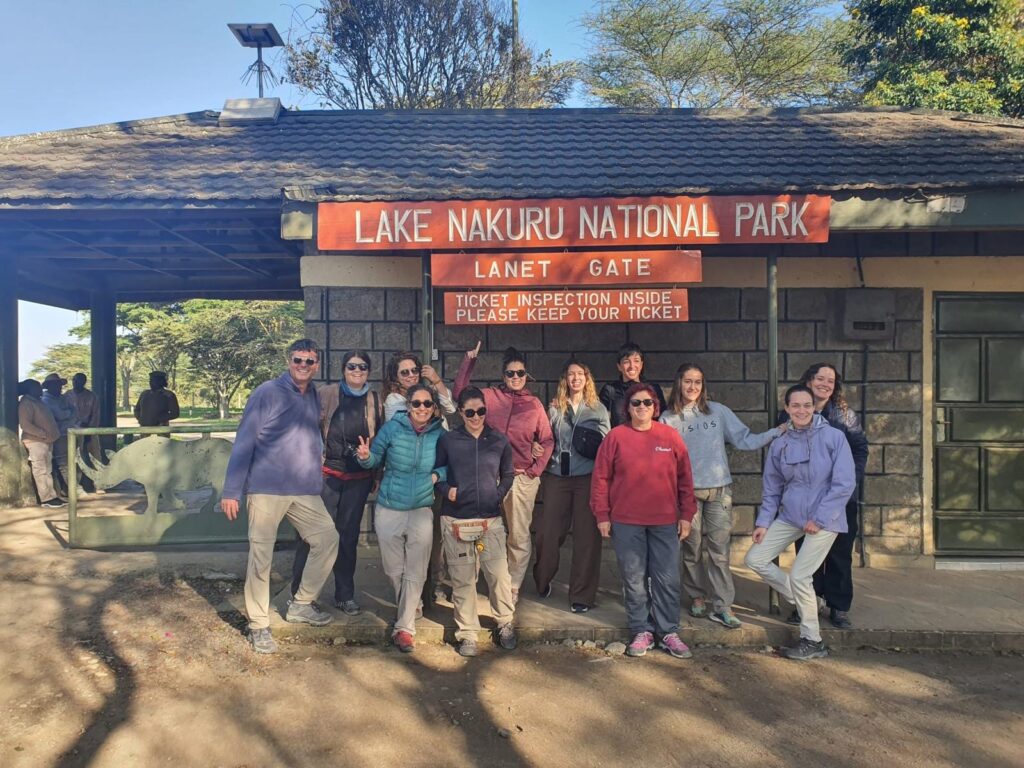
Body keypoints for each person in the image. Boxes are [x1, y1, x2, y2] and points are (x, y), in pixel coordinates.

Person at [221, 339, 340, 654]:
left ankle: (301, 603)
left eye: (310, 361)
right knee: (261, 559)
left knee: (328, 539)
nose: (303, 365)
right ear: (289, 360)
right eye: (298, 360)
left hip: (303, 489)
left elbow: (310, 433)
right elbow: (244, 441)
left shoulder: (312, 394)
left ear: (317, 365)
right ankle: (259, 625)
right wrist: (232, 490)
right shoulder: (267, 393)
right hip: (266, 489)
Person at [660, 363, 785, 629]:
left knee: (719, 552)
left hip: (719, 491)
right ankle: (696, 596)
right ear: (678, 384)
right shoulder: (667, 418)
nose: (693, 387)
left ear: (703, 386)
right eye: (687, 381)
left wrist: (776, 432)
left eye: (698, 382)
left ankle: (722, 605)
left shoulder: (718, 412)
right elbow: (663, 460)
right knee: (691, 549)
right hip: (686, 494)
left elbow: (745, 440)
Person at [745, 384, 856, 661]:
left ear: (813, 407)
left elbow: (844, 483)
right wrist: (763, 522)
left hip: (825, 520)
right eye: (796, 405)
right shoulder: (781, 444)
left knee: (800, 576)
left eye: (807, 405)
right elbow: (771, 487)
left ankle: (812, 640)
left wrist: (819, 519)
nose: (802, 410)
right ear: (787, 409)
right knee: (755, 559)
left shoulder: (833, 437)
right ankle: (808, 601)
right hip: (791, 516)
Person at [591, 382, 697, 660]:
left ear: (655, 406)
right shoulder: (615, 437)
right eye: (636, 403)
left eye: (647, 403)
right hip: (626, 521)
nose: (641, 407)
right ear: (627, 408)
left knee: (667, 578)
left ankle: (668, 631)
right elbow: (600, 478)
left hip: (664, 520)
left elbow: (685, 478)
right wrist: (602, 515)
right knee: (634, 579)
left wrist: (686, 514)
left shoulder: (670, 436)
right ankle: (642, 630)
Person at [454, 342, 553, 603]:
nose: (515, 378)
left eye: (520, 373)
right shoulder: (489, 396)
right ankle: (471, 581)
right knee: (480, 530)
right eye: (510, 373)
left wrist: (535, 470)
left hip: (521, 478)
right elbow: (461, 394)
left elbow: (547, 439)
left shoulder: (534, 404)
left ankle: (513, 584)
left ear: (526, 375)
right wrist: (469, 361)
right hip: (489, 477)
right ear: (503, 376)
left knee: (519, 535)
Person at [356, 382, 445, 653]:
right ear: (408, 406)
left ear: (433, 407)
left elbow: (451, 463)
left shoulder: (439, 433)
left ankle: (404, 627)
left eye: (427, 404)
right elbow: (375, 460)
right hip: (390, 506)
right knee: (394, 568)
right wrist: (365, 456)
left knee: (417, 569)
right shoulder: (393, 428)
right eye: (416, 403)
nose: (422, 408)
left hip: (421, 508)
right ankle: (411, 603)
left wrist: (437, 475)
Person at [292, 349, 383, 616]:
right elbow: (306, 427)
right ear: (343, 369)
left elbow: (380, 442)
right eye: (352, 366)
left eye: (363, 367)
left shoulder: (375, 399)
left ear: (369, 371)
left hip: (358, 477)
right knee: (312, 536)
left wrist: (375, 473)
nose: (357, 371)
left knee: (348, 537)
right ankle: (301, 595)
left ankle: (344, 594)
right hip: (326, 475)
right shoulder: (326, 394)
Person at [780, 363, 869, 630]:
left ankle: (838, 606)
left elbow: (860, 450)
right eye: (820, 378)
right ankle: (810, 603)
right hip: (805, 499)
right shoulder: (790, 413)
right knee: (806, 554)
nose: (825, 384)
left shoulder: (845, 416)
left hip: (840, 500)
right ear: (808, 380)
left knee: (840, 554)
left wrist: (848, 484)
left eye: (831, 380)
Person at [433, 387, 517, 657]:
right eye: (470, 412)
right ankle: (467, 632)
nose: (476, 416)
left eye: (481, 411)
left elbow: (508, 474)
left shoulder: (499, 440)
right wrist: (447, 491)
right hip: (456, 518)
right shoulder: (448, 440)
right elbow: (438, 473)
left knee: (498, 575)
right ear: (460, 412)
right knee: (462, 577)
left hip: (489, 519)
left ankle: (504, 622)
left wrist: (498, 494)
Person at [533, 359, 610, 612]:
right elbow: (544, 438)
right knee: (548, 532)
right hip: (557, 478)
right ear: (565, 379)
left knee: (587, 537)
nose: (575, 378)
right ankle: (542, 579)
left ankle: (582, 596)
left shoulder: (597, 409)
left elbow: (607, 445)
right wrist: (536, 447)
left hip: (587, 478)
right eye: (570, 374)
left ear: (587, 379)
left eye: (580, 374)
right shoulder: (555, 407)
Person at [17, 379, 64, 508]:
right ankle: (46, 499)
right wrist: (42, 433)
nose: (40, 389)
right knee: (40, 470)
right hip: (36, 441)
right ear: (29, 389)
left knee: (47, 470)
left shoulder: (38, 401)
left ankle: (52, 496)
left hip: (46, 441)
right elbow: (25, 424)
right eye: (37, 387)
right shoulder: (26, 403)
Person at [599, 342, 667, 427]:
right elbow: (601, 420)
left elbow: (662, 418)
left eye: (636, 361)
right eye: (626, 362)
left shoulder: (653, 389)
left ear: (641, 365)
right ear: (619, 366)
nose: (632, 366)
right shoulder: (610, 390)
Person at [381, 351, 456, 422]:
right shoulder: (394, 399)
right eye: (404, 372)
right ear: (395, 377)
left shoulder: (426, 390)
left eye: (414, 370)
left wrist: (437, 381)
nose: (411, 375)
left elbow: (450, 409)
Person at [40, 373, 80, 496]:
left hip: (71, 433)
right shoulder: (46, 400)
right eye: (56, 385)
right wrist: (68, 415)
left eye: (59, 385)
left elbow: (75, 412)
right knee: (63, 463)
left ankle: (72, 488)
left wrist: (67, 415)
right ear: (49, 386)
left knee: (75, 461)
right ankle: (74, 489)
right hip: (59, 435)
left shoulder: (63, 398)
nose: (59, 387)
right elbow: (60, 415)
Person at [68, 373, 102, 483]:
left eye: (78, 380)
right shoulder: (67, 395)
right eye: (74, 380)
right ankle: (77, 484)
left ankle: (98, 483)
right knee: (75, 457)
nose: (75, 382)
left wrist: (90, 431)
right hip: (72, 431)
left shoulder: (92, 396)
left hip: (89, 429)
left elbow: (95, 415)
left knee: (95, 456)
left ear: (84, 382)